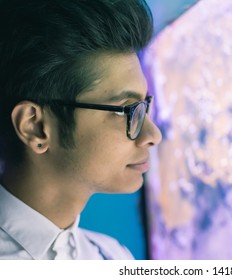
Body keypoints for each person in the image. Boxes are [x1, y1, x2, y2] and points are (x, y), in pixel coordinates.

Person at [0, 0, 162, 260]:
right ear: (36, 127)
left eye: (145, 106)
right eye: (127, 110)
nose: (153, 135)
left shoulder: (112, 255)